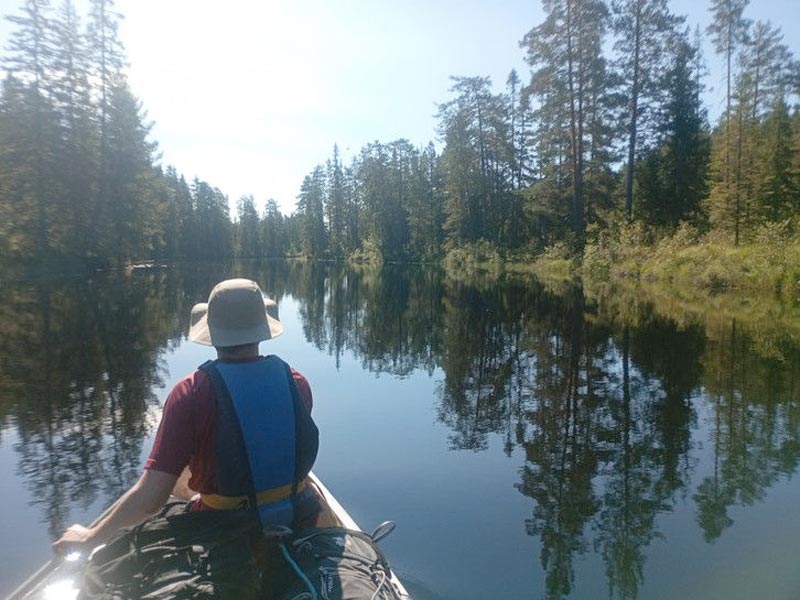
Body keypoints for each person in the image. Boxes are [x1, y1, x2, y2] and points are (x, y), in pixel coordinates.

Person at [53, 278, 319, 553]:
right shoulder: (297, 382)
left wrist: (90, 538)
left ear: (212, 333)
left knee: (176, 489)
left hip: (224, 534)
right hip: (298, 521)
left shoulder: (190, 393)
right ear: (262, 329)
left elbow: (151, 501)